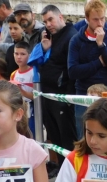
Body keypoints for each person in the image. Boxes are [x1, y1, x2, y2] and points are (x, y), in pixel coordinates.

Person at [68, 0, 107, 140]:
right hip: (84, 94)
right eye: (95, 19)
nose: (100, 23)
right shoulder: (76, 40)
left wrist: (101, 45)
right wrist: (98, 63)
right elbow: (73, 71)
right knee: (84, 138)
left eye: (102, 19)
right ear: (87, 19)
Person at [34, 5, 77, 151]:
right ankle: (60, 167)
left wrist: (68, 100)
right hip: (49, 95)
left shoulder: (71, 36)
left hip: (63, 97)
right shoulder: (50, 37)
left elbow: (71, 70)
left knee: (66, 139)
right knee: (55, 138)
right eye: (45, 22)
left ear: (60, 17)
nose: (48, 24)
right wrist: (45, 49)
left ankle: (70, 170)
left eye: (51, 20)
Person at [9, 41, 37, 137]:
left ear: (29, 55)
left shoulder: (34, 73)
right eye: (16, 54)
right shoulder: (14, 74)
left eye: (22, 54)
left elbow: (35, 96)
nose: (19, 57)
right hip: (17, 108)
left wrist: (21, 91)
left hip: (31, 111)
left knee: (30, 136)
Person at [3, 13, 23, 79]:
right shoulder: (10, 50)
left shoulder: (28, 47)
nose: (12, 31)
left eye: (15, 28)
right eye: (10, 28)